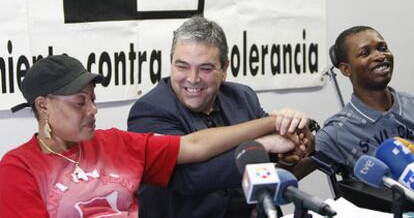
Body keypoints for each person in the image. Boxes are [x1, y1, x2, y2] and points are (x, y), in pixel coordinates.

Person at [0, 54, 300, 217]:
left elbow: (194, 146)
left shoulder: (116, 143)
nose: (92, 110)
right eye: (80, 102)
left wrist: (269, 127)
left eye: (93, 99)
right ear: (43, 105)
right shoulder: (18, 168)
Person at [127, 16, 315, 218]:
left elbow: (273, 153)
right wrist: (262, 144)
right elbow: (190, 178)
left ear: (224, 69)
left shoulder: (242, 97)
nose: (192, 78)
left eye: (205, 68)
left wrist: (296, 142)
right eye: (182, 66)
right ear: (171, 63)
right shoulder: (149, 110)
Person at [315, 26, 414, 175]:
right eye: (365, 53)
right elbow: (285, 175)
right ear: (346, 69)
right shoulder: (337, 132)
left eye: (382, 48)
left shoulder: (410, 103)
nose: (380, 56)